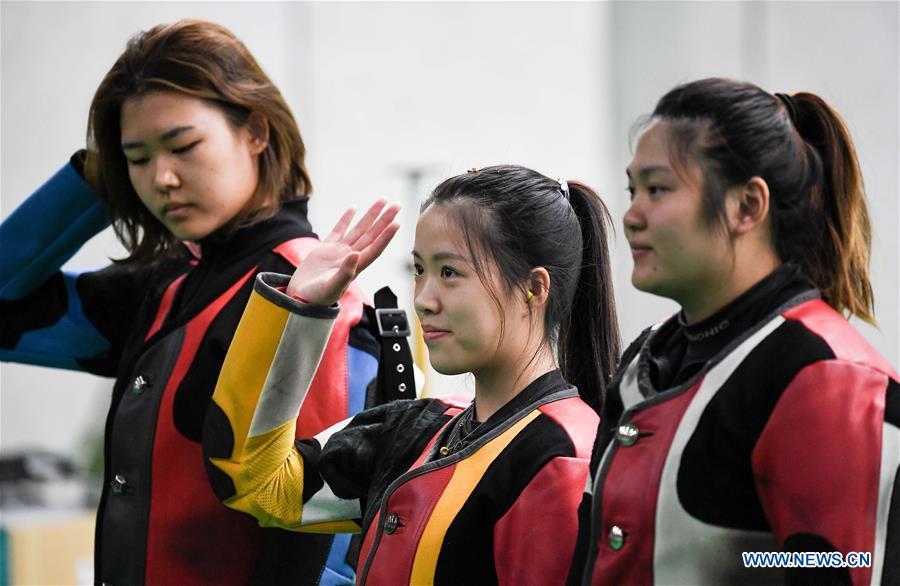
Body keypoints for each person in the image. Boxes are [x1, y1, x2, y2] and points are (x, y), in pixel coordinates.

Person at [0, 19, 408, 586]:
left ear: (256, 132)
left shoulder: (312, 297)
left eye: (183, 145)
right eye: (135, 158)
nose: (161, 178)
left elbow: (321, 553)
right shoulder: (167, 285)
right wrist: (92, 184)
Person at [204, 165, 621, 584]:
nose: (423, 299)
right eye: (420, 270)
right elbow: (257, 483)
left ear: (533, 288)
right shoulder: (416, 430)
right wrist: (297, 311)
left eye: (449, 273)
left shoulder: (567, 457)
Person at [568, 78, 899, 585]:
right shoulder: (646, 359)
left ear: (747, 206)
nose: (632, 215)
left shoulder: (828, 376)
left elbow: (840, 565)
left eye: (657, 190)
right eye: (634, 189)